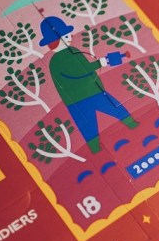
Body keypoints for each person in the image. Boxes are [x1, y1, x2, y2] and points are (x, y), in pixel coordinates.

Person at [37, 16, 138, 154]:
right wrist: (100, 63)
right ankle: (95, 149)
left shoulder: (73, 50)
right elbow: (78, 72)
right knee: (88, 126)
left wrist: (101, 66)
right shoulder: (56, 60)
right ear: (54, 42)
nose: (69, 38)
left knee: (115, 108)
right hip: (76, 100)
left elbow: (85, 68)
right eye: (65, 36)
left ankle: (132, 124)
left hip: (94, 91)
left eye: (68, 35)